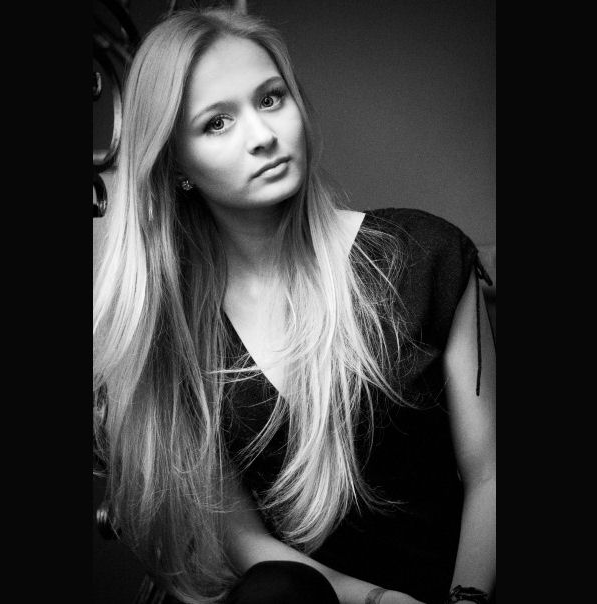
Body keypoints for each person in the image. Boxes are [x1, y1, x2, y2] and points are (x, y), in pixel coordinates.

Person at [93, 6, 495, 604]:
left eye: (271, 98)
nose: (262, 135)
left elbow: (490, 470)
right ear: (176, 165)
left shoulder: (425, 256)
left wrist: (466, 600)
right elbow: (244, 540)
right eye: (217, 123)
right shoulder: (177, 328)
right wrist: (379, 602)